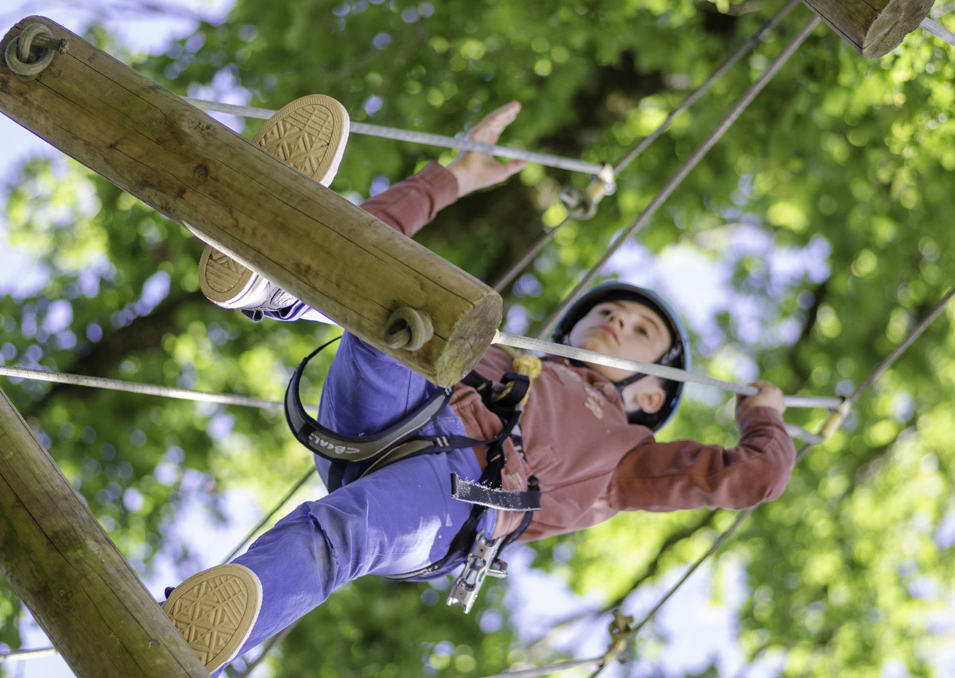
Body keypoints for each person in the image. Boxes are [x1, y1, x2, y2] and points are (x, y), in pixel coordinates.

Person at [163, 96, 795, 674]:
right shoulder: (501, 355)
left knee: (337, 535)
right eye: (607, 311)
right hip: (406, 407)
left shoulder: (624, 460)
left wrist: (763, 418)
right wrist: (453, 177)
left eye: (640, 331)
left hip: (459, 497)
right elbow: (371, 257)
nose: (616, 322)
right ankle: (277, 275)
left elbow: (753, 477)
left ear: (652, 395)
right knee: (408, 294)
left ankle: (178, 645)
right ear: (571, 329)